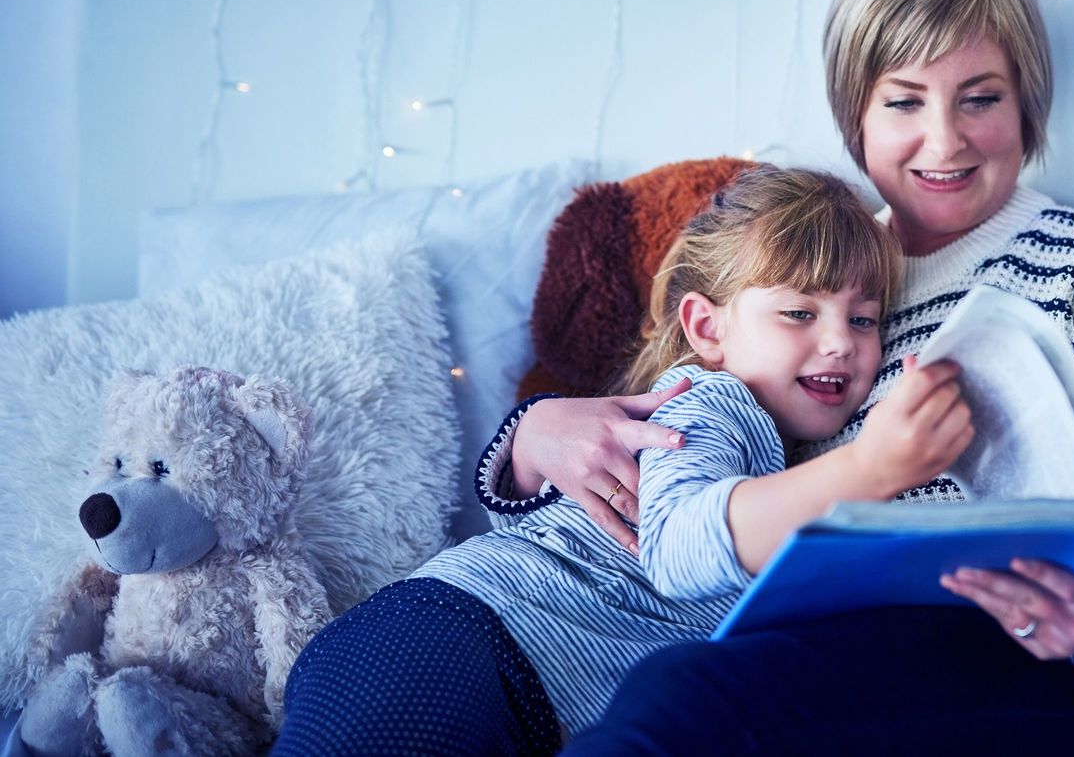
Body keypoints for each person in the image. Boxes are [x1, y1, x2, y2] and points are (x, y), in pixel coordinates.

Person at [528, 0, 1074, 756]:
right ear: (857, 113)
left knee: (692, 702)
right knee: (678, 687)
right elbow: (679, 467)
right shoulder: (812, 278)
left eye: (981, 97)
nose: (946, 140)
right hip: (832, 666)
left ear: (1027, 107)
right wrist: (533, 432)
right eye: (905, 100)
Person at [272, 166, 974, 754]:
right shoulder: (710, 405)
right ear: (707, 327)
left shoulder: (773, 453)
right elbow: (679, 546)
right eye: (799, 313)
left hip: (517, 685)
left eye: (863, 318)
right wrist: (870, 471)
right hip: (461, 644)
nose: (840, 344)